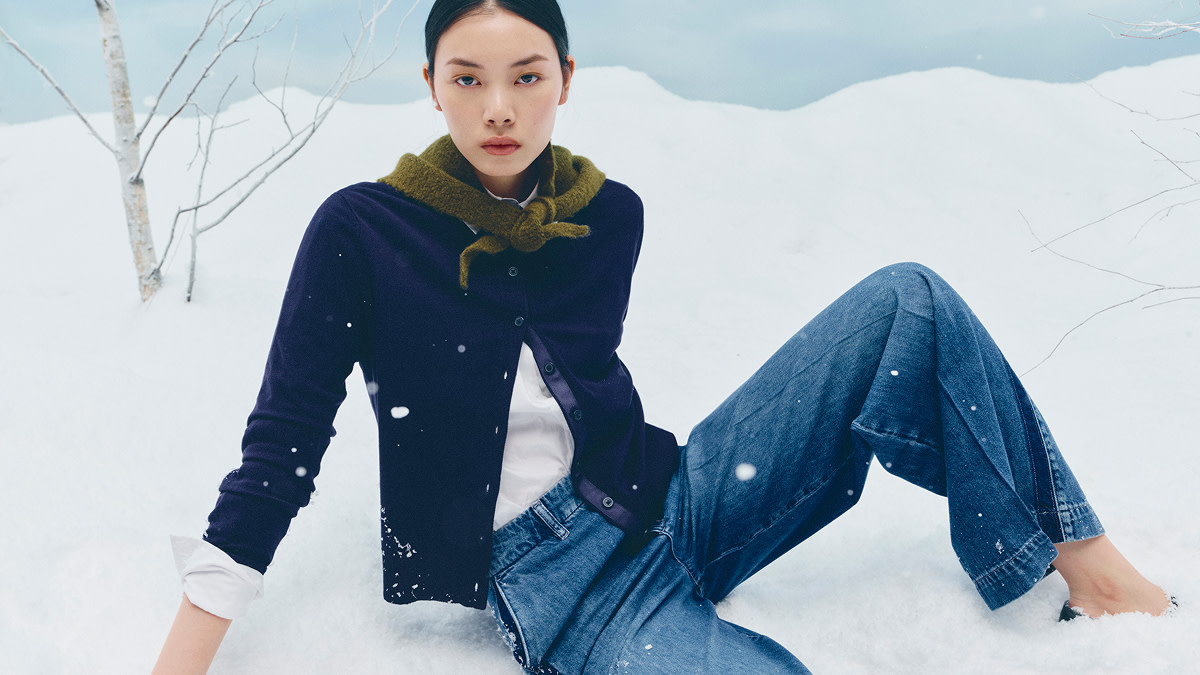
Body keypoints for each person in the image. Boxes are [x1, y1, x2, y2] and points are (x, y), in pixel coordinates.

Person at [153, 1, 1173, 672]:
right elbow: (283, 446)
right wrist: (184, 656)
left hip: (668, 498)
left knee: (909, 301)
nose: (498, 107)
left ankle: (1084, 565)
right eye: (467, 78)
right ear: (429, 85)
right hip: (554, 582)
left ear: (566, 77)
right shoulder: (365, 232)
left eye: (525, 74)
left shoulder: (608, 215)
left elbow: (578, 396)